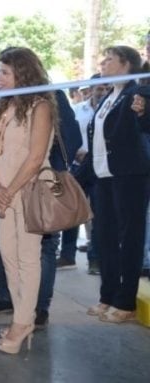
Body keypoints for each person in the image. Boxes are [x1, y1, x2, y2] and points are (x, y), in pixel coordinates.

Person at [0, 47, 57, 354]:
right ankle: (21, 317)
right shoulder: (2, 105)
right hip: (3, 191)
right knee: (8, 257)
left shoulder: (40, 106)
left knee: (28, 258)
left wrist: (9, 190)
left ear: (22, 73)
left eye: (4, 72)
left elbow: (35, 157)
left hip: (29, 191)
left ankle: (23, 322)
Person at [84, 45, 149, 324]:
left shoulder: (138, 93)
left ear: (126, 65)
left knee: (130, 239)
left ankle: (126, 300)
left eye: (109, 59)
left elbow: (144, 121)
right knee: (105, 238)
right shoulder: (106, 97)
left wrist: (143, 111)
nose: (103, 63)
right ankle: (107, 295)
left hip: (130, 177)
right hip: (103, 178)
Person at [59, 74, 109, 274]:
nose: (102, 91)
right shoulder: (78, 110)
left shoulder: (111, 110)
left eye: (106, 88)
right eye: (99, 88)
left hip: (101, 168)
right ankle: (67, 255)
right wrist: (75, 152)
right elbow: (69, 134)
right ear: (90, 89)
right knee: (72, 210)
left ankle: (95, 259)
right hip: (78, 167)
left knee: (98, 214)